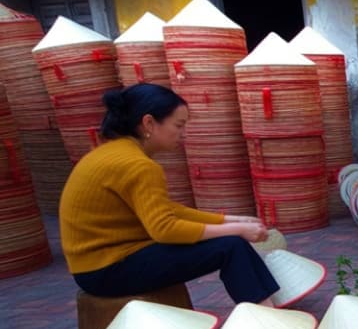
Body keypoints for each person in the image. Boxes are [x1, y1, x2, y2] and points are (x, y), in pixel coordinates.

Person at [60, 83, 280, 304]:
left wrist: (227, 220)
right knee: (230, 246)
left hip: (95, 267)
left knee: (230, 242)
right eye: (179, 125)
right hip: (108, 270)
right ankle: (266, 317)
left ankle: (267, 308)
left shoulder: (113, 153)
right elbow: (164, 229)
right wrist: (236, 229)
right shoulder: (138, 165)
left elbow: (165, 210)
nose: (183, 134)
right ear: (149, 123)